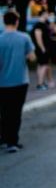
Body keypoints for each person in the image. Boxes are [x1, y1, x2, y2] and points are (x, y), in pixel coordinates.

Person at [0, 11, 36, 153]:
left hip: (2, 82)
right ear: (17, 22)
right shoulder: (24, 38)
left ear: (4, 22)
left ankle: (3, 138)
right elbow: (32, 57)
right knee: (15, 112)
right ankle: (12, 142)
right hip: (20, 81)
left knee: (4, 111)